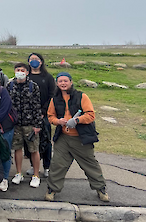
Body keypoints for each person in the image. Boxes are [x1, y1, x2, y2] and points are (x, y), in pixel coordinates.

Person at [45, 72, 109, 202]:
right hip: (63, 137)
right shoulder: (55, 99)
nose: (63, 83)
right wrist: (59, 121)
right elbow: (50, 116)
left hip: (81, 138)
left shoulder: (81, 96)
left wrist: (77, 120)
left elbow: (90, 115)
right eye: (60, 81)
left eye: (65, 81)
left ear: (71, 82)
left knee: (90, 165)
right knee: (57, 164)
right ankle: (52, 189)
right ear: (57, 83)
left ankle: (100, 189)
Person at [7, 63, 43, 189]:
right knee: (17, 148)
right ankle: (18, 173)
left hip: (30, 124)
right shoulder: (10, 85)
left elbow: (37, 105)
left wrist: (38, 124)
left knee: (34, 149)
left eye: (22, 70)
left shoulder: (33, 86)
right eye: (18, 70)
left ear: (27, 72)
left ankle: (36, 175)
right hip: (15, 124)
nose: (20, 72)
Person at [25, 52, 55, 178]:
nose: (34, 62)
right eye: (31, 59)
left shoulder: (47, 77)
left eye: (36, 59)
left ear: (41, 62)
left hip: (44, 114)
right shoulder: (26, 77)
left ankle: (47, 166)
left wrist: (43, 112)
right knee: (30, 140)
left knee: (45, 140)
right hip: (28, 115)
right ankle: (33, 165)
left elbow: (52, 95)